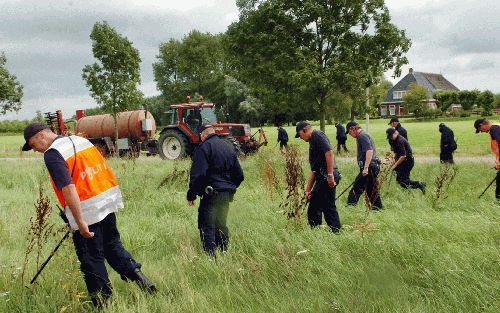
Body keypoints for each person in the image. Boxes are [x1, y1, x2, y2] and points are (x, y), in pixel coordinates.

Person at [21, 123, 155, 307]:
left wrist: (79, 221)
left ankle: (103, 304)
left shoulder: (52, 154)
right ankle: (142, 280)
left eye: (33, 145)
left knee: (91, 258)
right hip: (107, 203)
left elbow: (68, 188)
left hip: (87, 212)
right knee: (113, 247)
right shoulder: (81, 141)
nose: (35, 150)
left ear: (40, 136)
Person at [187, 124, 244, 256]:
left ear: (203, 135)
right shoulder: (228, 147)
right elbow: (240, 175)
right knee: (221, 225)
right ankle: (224, 253)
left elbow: (198, 175)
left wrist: (191, 195)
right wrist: (230, 187)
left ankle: (211, 259)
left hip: (210, 194)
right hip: (226, 195)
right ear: (213, 132)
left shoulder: (204, 147)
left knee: (207, 227)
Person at [295, 121, 341, 232]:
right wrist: (308, 190)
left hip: (327, 175)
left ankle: (315, 231)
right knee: (328, 205)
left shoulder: (317, 135)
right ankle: (336, 230)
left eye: (300, 135)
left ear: (304, 130)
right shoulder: (312, 141)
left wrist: (330, 176)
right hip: (323, 175)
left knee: (314, 205)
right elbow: (314, 170)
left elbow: (329, 153)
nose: (300, 138)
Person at [346, 121, 383, 210]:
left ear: (353, 129)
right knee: (371, 190)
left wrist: (366, 168)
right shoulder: (362, 135)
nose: (350, 135)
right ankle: (378, 209)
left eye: (349, 132)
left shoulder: (362, 136)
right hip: (370, 166)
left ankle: (350, 207)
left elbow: (369, 151)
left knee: (357, 188)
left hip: (369, 167)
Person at [386, 128, 426, 193]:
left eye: (391, 136)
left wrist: (395, 164)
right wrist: (394, 160)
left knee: (403, 181)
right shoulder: (391, 140)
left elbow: (403, 156)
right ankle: (412, 190)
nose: (391, 138)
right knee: (400, 180)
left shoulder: (400, 141)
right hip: (401, 161)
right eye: (389, 137)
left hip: (407, 161)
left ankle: (420, 185)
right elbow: (395, 152)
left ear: (395, 133)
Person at [474, 118, 500, 200]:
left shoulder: (494, 129)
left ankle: (498, 201)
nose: (481, 131)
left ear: (482, 125)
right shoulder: (496, 127)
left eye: (480, 129)